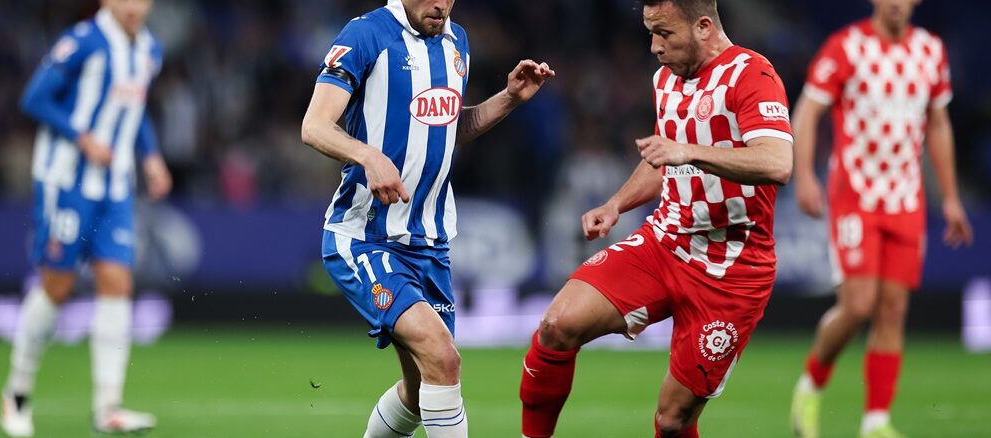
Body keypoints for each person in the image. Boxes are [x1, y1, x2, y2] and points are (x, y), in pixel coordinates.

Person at [518, 0, 793, 437]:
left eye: (664, 33)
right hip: (664, 243)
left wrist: (689, 153)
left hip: (731, 268)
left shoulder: (752, 75)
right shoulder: (665, 78)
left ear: (703, 26)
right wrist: (616, 204)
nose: (653, 46)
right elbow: (664, 159)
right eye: (650, 32)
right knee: (557, 325)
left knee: (672, 420)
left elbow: (778, 162)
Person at [300, 1, 554, 436]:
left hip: (429, 243)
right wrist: (368, 155)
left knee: (420, 391)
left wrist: (509, 99)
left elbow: (450, 127)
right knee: (444, 357)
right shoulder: (365, 35)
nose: (443, 4)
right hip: (366, 236)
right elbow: (314, 125)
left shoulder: (458, 41)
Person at [788, 0, 974, 436]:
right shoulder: (846, 47)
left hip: (907, 200)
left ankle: (875, 421)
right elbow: (808, 110)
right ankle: (811, 383)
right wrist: (805, 178)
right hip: (855, 196)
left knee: (892, 309)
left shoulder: (930, 52)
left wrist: (949, 197)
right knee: (857, 306)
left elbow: (939, 123)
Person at [0, 0, 171, 436]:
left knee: (118, 284)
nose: (134, 6)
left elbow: (136, 110)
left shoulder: (149, 49)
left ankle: (108, 407)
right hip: (66, 180)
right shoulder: (83, 42)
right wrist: (83, 137)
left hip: (114, 188)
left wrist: (150, 157)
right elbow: (34, 97)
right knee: (57, 285)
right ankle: (16, 394)